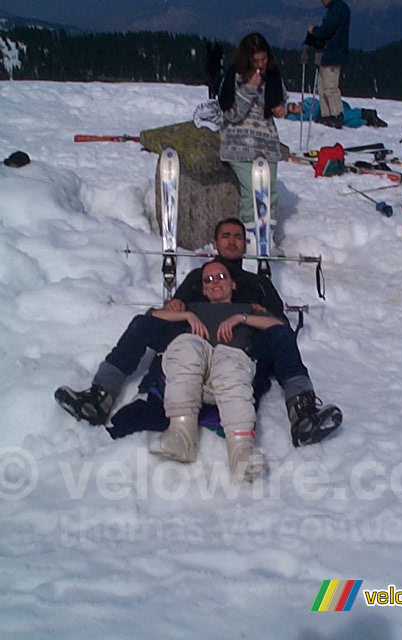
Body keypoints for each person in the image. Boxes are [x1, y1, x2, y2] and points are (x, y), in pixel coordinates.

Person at [55, 218, 342, 448]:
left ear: (245, 244)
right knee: (143, 324)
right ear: (215, 243)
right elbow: (174, 307)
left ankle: (302, 413)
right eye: (225, 236)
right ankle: (99, 397)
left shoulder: (258, 284)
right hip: (193, 341)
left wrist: (256, 315)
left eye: (238, 237)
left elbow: (279, 323)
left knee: (281, 337)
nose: (231, 241)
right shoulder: (197, 277)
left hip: (242, 348)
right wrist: (179, 307)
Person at [148, 259, 285, 483]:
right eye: (208, 280)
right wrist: (187, 316)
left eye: (221, 276)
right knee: (187, 345)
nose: (214, 282)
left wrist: (240, 318)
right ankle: (181, 434)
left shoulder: (248, 309)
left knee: (228, 361)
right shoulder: (193, 307)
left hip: (230, 371)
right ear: (203, 289)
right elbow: (153, 315)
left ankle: (241, 450)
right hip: (192, 375)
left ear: (233, 284)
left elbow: (279, 326)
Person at [218, 32, 287, 249]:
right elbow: (231, 114)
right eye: (256, 60)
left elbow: (280, 98)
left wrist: (280, 108)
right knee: (252, 191)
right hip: (239, 144)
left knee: (269, 192)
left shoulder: (273, 76)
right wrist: (250, 88)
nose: (260, 64)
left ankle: (266, 238)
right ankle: (250, 238)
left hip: (266, 142)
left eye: (263, 59)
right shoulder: (235, 77)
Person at [304, 0, 351, 130]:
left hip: (332, 55)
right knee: (322, 86)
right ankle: (327, 115)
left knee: (330, 87)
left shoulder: (337, 9)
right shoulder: (340, 8)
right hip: (330, 55)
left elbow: (326, 30)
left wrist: (314, 30)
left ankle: (336, 115)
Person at [287, 98, 387, 128]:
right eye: (293, 108)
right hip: (328, 116)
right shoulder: (299, 117)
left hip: (332, 107)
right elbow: (289, 118)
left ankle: (367, 114)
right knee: (348, 123)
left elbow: (318, 105)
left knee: (344, 115)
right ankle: (366, 121)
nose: (297, 107)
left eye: (294, 105)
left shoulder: (307, 102)